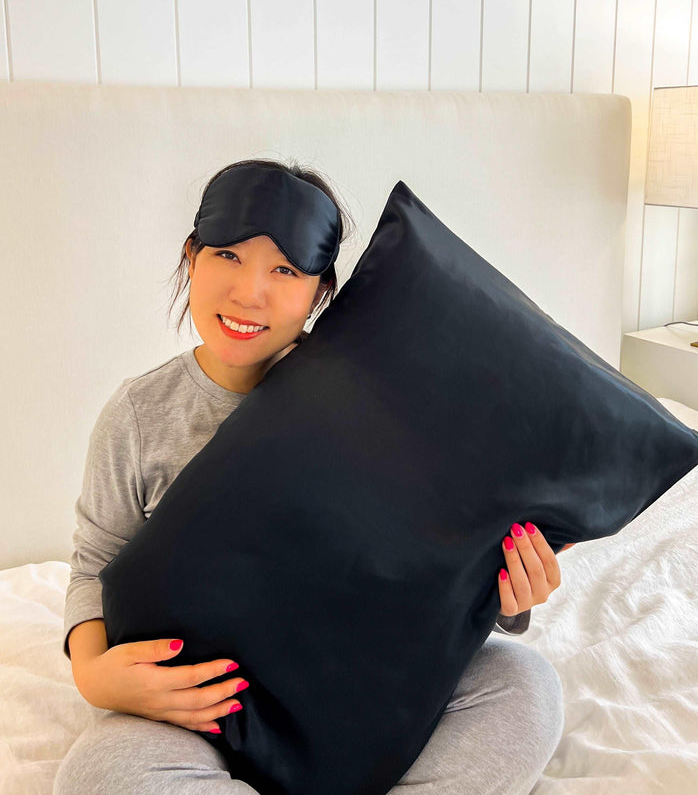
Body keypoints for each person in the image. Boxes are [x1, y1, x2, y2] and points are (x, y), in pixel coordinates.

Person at [54, 158, 568, 795]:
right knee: (97, 771)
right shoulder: (139, 416)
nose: (250, 293)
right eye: (228, 257)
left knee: (523, 683)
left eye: (285, 270)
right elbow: (94, 560)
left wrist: (506, 600)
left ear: (321, 291)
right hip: (203, 704)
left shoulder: (375, 408)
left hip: (354, 683)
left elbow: (426, 565)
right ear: (191, 258)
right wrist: (93, 675)